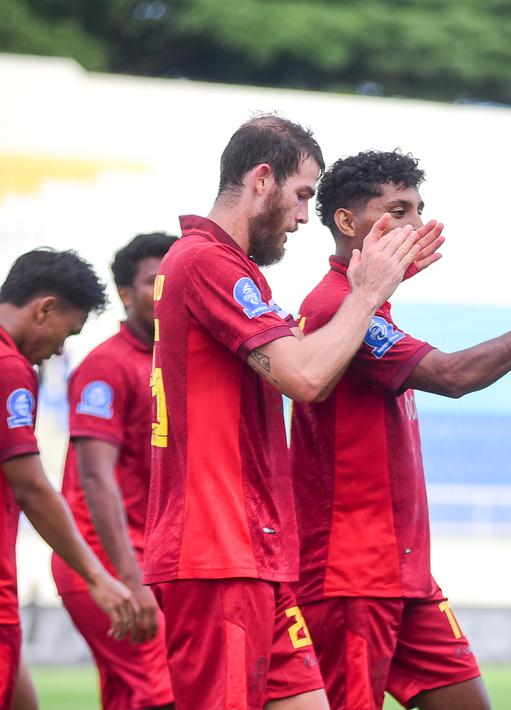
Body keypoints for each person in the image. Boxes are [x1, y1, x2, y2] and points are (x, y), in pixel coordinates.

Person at [143, 115, 440, 710]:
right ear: (261, 179)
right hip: (216, 550)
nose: (306, 216)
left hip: (257, 550)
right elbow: (304, 377)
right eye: (302, 195)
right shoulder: (208, 261)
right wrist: (369, 292)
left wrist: (374, 293)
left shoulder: (231, 268)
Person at [290, 149, 511, 710]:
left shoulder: (372, 310)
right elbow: (455, 376)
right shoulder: (338, 306)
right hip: (352, 574)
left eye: (418, 210)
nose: (414, 225)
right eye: (398, 210)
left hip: (402, 572)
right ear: (348, 223)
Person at [0, 249, 138, 709]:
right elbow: (33, 488)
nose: (60, 349)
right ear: (45, 309)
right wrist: (98, 577)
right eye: (67, 333)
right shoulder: (10, 368)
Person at [51, 233, 178, 710]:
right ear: (126, 293)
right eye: (152, 281)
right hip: (108, 563)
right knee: (166, 695)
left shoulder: (175, 364)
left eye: (173, 280)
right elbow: (95, 478)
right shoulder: (107, 366)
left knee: (134, 696)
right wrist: (129, 578)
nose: (165, 291)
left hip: (154, 562)